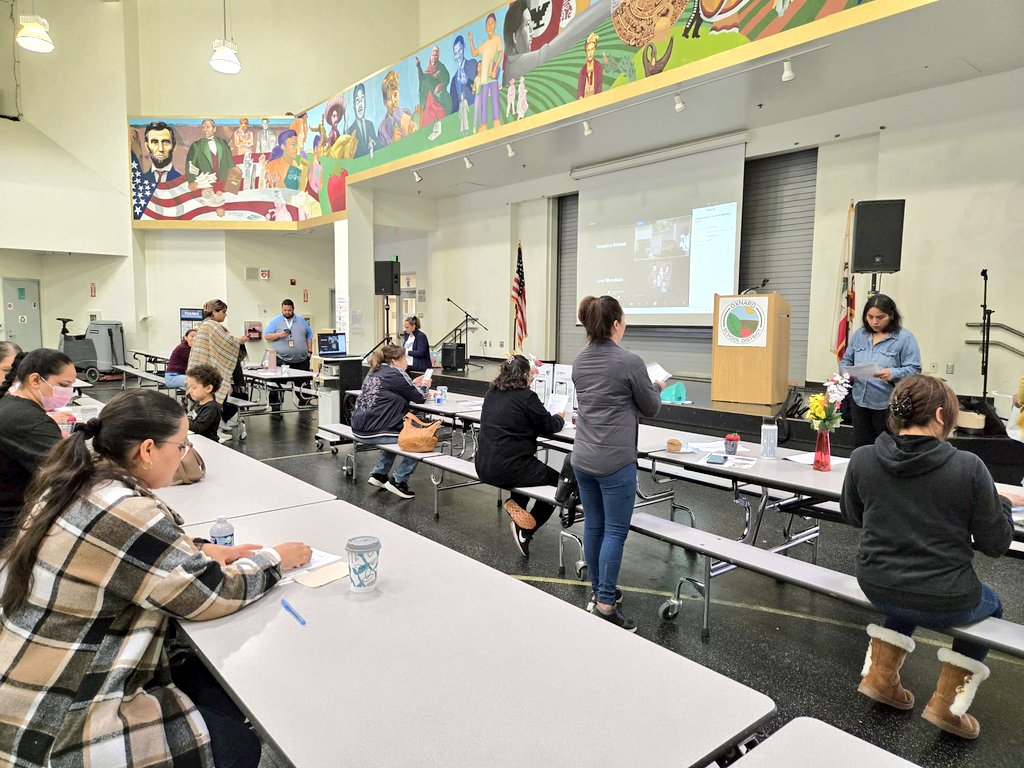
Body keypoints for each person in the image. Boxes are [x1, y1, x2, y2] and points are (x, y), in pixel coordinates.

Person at [0, 389, 312, 767]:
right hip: (57, 717)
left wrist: (197, 546)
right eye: (180, 446)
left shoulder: (78, 480)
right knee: (237, 747)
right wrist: (275, 558)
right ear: (147, 450)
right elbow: (210, 594)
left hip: (27, 677)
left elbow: (133, 548)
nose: (183, 455)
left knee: (207, 686)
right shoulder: (123, 509)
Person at [841, 375, 1020, 739]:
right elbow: (995, 544)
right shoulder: (968, 467)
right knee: (993, 603)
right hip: (944, 595)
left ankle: (880, 677)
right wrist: (1001, 502)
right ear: (941, 415)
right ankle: (948, 706)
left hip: (876, 583)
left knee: (905, 585)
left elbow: (854, 517)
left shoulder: (862, 458)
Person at [572, 295, 664, 631]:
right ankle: (606, 604)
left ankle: (599, 592)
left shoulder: (580, 362)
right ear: (615, 324)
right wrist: (655, 387)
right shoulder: (630, 362)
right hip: (615, 461)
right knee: (614, 530)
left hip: (583, 457)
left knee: (594, 526)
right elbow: (650, 406)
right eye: (623, 320)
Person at [475, 355, 565, 557]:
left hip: (483, 464)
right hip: (509, 469)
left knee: (529, 469)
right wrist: (559, 417)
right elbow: (549, 425)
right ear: (525, 375)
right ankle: (526, 530)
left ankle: (516, 506)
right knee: (558, 484)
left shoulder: (492, 393)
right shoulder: (527, 397)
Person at [0, 348, 76, 545]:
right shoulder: (28, 420)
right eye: (63, 385)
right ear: (35, 380)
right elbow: (69, 470)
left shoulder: (11, 405)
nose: (68, 392)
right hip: (11, 527)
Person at [840, 294, 921, 448]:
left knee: (887, 447)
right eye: (870, 317)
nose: (874, 322)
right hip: (859, 400)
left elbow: (914, 369)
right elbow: (846, 361)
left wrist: (891, 373)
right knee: (862, 446)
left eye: (880, 317)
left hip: (887, 403)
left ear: (891, 316)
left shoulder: (904, 338)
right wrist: (847, 372)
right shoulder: (860, 334)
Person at [350, 344, 428, 500]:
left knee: (396, 430)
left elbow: (396, 389)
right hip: (375, 431)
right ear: (395, 360)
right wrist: (425, 385)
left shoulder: (374, 371)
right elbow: (420, 397)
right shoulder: (397, 373)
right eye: (404, 357)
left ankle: (379, 473)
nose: (406, 361)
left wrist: (412, 384)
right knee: (420, 440)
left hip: (358, 427)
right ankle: (399, 480)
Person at [188, 299, 247, 442]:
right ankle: (214, 431)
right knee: (210, 402)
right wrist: (239, 341)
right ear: (214, 312)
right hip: (206, 372)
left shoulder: (205, 325)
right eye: (223, 312)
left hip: (200, 370)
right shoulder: (212, 326)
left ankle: (213, 427)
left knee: (201, 402)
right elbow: (227, 343)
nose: (225, 315)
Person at [264, 299, 314, 412]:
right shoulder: (275, 321)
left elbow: (309, 335)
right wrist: (279, 334)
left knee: (303, 383)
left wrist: (309, 351)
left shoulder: (301, 321)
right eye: (285, 310)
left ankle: (305, 401)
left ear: (293, 309)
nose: (287, 312)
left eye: (289, 310)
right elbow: (267, 336)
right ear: (282, 309)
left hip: (301, 360)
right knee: (277, 384)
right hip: (282, 359)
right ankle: (275, 405)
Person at [468, 13, 503, 133]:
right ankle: (483, 125)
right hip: (483, 78)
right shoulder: (484, 44)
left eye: (492, 23)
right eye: (488, 24)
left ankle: (496, 120)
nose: (490, 26)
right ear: (485, 27)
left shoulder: (497, 38)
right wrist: (471, 40)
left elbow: (500, 54)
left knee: (494, 98)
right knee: (483, 101)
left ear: (495, 25)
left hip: (492, 76)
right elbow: (474, 53)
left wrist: (494, 69)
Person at [185, 118, 234, 189]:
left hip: (223, 182)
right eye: (203, 127)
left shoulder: (223, 143)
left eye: (208, 127)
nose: (205, 129)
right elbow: (190, 165)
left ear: (214, 129)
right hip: (205, 184)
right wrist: (192, 181)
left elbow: (230, 161)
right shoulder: (196, 145)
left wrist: (232, 184)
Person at [185, 363, 223, 441]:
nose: (189, 390)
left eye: (194, 387)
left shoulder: (211, 408)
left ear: (208, 388)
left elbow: (198, 428)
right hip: (196, 440)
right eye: (189, 387)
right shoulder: (197, 402)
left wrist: (181, 419)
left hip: (207, 444)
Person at [346, 82, 376, 158]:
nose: (360, 103)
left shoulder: (370, 125)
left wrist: (373, 147)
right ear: (353, 106)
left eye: (362, 98)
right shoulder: (350, 131)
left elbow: (378, 146)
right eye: (357, 100)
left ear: (365, 102)